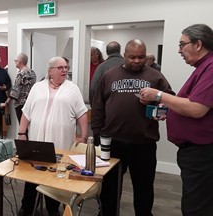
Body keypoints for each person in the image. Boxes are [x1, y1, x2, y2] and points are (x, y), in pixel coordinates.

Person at [91, 39, 174, 216]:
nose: (137, 61)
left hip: (143, 142)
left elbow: (170, 102)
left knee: (144, 188)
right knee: (110, 187)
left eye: (141, 57)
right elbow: (98, 105)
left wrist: (156, 102)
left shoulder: (155, 76)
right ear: (124, 56)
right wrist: (97, 134)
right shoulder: (110, 75)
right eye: (132, 57)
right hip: (113, 142)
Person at [140, 24, 213, 216]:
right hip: (196, 152)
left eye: (182, 44)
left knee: (196, 207)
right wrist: (170, 110)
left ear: (198, 44)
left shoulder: (211, 67)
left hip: (202, 154)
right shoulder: (202, 67)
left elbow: (197, 109)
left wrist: (158, 95)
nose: (179, 50)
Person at [17, 57, 88, 216]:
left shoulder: (72, 89)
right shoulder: (37, 87)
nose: (64, 70)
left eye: (66, 67)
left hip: (60, 142)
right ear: (50, 71)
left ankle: (53, 209)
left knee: (56, 177)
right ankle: (27, 207)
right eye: (60, 67)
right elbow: (26, 112)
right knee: (32, 175)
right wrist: (22, 133)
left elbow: (82, 114)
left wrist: (83, 137)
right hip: (37, 142)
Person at [0, 53, 36, 123]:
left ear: (19, 62)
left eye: (15, 61)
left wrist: (6, 103)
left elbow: (15, 91)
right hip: (30, 103)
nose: (15, 62)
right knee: (28, 126)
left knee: (22, 126)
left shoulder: (21, 74)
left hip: (20, 104)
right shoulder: (32, 73)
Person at [89, 41, 125, 105]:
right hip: (127, 104)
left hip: (108, 105)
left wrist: (94, 105)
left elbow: (93, 88)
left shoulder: (101, 67)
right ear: (119, 50)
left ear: (107, 52)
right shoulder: (129, 65)